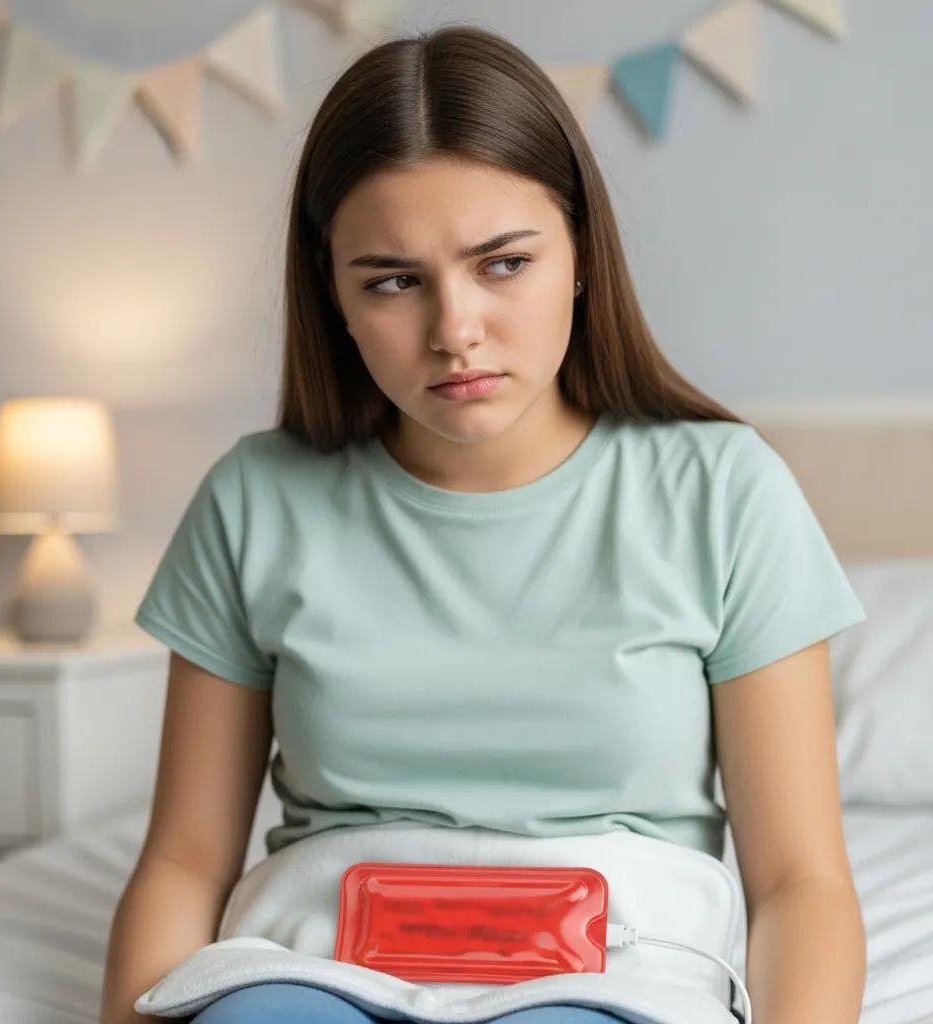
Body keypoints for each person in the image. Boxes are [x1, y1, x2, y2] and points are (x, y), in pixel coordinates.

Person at [98, 22, 867, 1024]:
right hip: (312, 967)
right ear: (330, 294)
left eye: (501, 264)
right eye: (391, 280)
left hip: (611, 976)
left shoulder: (720, 490)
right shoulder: (254, 500)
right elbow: (186, 857)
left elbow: (799, 881)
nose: (453, 328)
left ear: (581, 255)